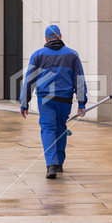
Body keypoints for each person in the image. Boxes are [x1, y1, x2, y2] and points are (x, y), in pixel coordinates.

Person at [19, 25, 87, 179]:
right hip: (65, 100)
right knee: (61, 128)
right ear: (60, 36)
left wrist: (24, 103)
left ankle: (51, 165)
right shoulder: (72, 55)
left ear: (46, 38)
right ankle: (60, 163)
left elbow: (28, 81)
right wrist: (82, 103)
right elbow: (80, 81)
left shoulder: (38, 55)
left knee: (48, 129)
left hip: (46, 100)